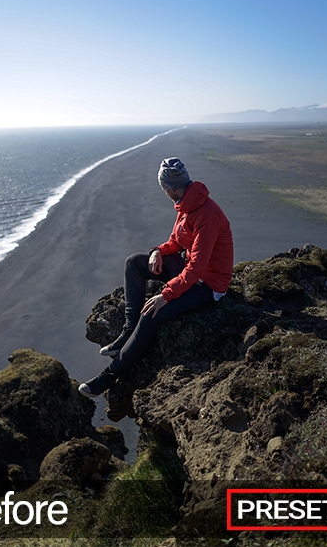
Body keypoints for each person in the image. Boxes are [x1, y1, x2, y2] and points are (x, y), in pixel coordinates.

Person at [79, 157, 234, 398]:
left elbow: (197, 266)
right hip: (190, 270)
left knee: (152, 313)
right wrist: (158, 251)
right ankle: (128, 332)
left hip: (209, 284)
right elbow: (177, 241)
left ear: (167, 188)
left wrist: (166, 295)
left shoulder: (207, 214)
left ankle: (110, 375)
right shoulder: (185, 204)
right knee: (134, 263)